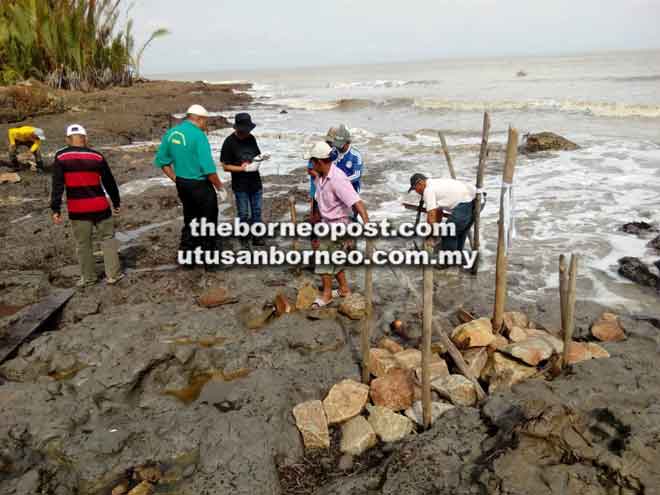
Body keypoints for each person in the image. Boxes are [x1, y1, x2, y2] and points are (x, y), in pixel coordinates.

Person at [50, 124, 123, 287]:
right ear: (86, 138)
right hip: (100, 206)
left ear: (67, 139)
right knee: (108, 239)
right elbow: (109, 182)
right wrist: (116, 202)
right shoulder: (97, 156)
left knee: (83, 244)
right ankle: (113, 275)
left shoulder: (61, 157)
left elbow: (57, 185)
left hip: (78, 209)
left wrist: (55, 208)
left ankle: (88, 278)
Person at [154, 104, 225, 269]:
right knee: (208, 222)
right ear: (199, 119)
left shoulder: (171, 133)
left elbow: (162, 161)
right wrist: (220, 187)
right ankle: (210, 262)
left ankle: (187, 258)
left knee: (190, 219)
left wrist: (176, 179)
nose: (205, 125)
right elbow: (208, 169)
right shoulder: (198, 136)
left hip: (183, 184)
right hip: (200, 185)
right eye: (205, 121)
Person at [309, 142, 369, 307]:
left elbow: (357, 202)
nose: (311, 165)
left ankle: (327, 294)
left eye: (313, 161)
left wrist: (367, 224)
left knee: (323, 259)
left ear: (320, 161)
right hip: (327, 223)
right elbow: (319, 200)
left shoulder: (337, 178)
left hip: (338, 225)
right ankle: (343, 289)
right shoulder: (320, 177)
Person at [221, 113, 265, 247]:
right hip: (240, 184)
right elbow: (225, 166)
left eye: (249, 130)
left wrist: (260, 159)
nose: (248, 132)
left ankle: (257, 237)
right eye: (246, 130)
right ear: (238, 129)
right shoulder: (229, 142)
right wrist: (242, 169)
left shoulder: (251, 139)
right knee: (244, 213)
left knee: (257, 211)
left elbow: (257, 156)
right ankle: (244, 237)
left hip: (255, 182)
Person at [408, 173, 476, 252]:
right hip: (476, 199)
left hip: (466, 202)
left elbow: (431, 214)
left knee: (448, 232)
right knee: (459, 232)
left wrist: (431, 236)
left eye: (414, 188)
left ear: (420, 183)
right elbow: (438, 212)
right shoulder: (436, 183)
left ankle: (449, 262)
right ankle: (458, 258)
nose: (416, 191)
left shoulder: (428, 190)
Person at [308, 127, 339, 249]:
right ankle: (315, 248)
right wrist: (321, 176)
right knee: (316, 219)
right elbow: (310, 169)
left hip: (329, 192)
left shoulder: (334, 153)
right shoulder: (320, 151)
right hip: (318, 190)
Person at [332, 124, 363, 193]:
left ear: (348, 142)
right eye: (337, 144)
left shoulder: (356, 155)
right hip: (335, 189)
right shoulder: (333, 151)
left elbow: (357, 175)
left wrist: (341, 181)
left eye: (341, 145)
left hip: (351, 190)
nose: (338, 148)